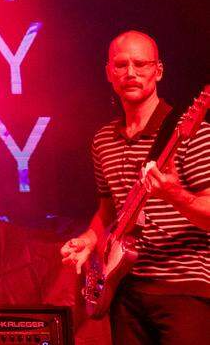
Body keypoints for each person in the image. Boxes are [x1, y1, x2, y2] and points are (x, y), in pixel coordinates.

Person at [60, 30, 210, 343]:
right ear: (108, 72)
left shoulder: (194, 134)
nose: (131, 72)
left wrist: (174, 195)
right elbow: (108, 212)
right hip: (126, 291)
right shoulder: (103, 140)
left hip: (184, 287)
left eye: (141, 64)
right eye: (121, 64)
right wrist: (89, 240)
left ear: (159, 71)